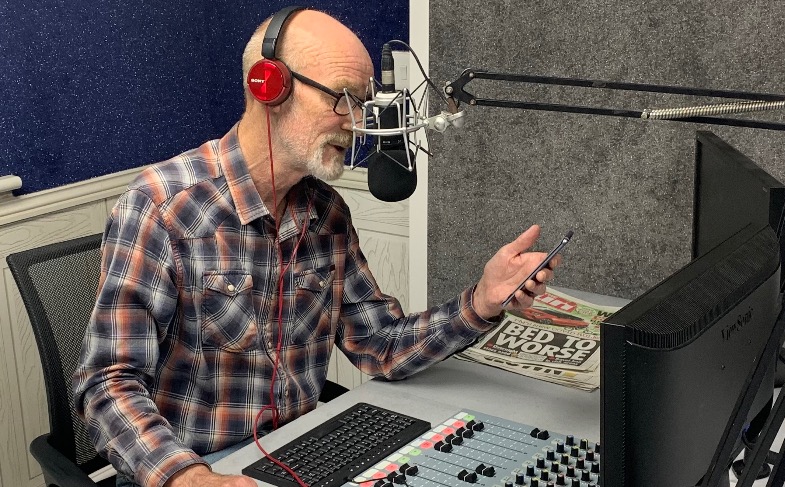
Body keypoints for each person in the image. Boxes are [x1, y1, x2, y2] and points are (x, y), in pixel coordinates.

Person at [72, 8, 560, 487]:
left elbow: (380, 344)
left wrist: (481, 302)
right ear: (270, 87)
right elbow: (107, 384)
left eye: (362, 102)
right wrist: (190, 478)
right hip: (195, 468)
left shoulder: (326, 213)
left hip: (301, 451)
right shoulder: (161, 207)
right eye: (343, 98)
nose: (357, 122)